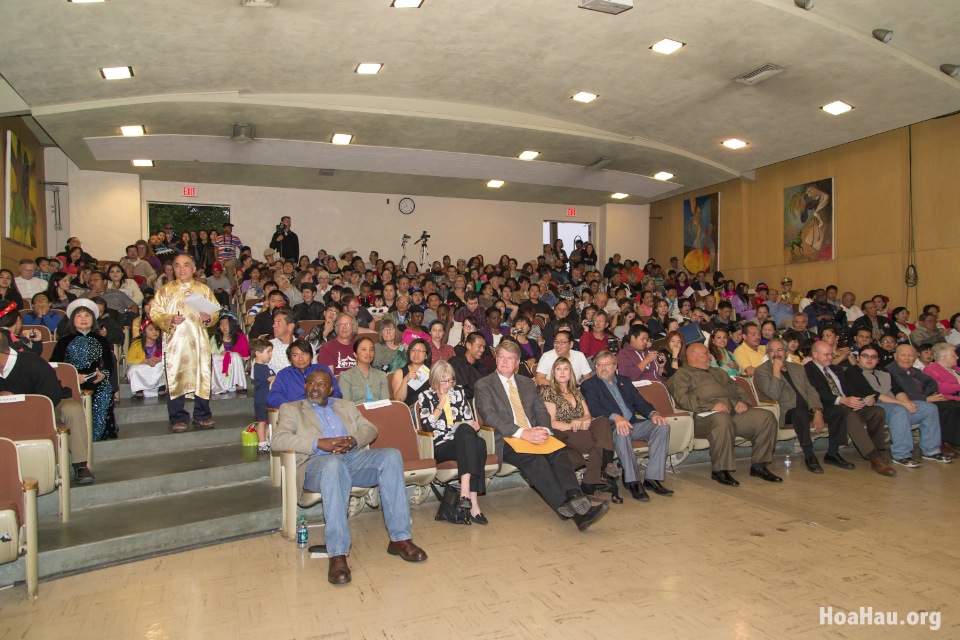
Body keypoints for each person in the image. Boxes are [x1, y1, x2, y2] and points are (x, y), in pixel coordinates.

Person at [273, 368, 427, 585]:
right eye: (311, 384)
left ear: (331, 388)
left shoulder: (345, 406)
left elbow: (370, 429)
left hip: (351, 458)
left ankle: (400, 539)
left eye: (321, 385)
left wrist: (354, 440)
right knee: (333, 465)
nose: (314, 388)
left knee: (391, 456)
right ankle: (337, 554)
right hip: (315, 464)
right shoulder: (291, 409)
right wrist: (318, 443)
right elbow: (278, 440)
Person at [474, 341, 608, 531]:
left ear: (518, 362)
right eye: (501, 357)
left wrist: (544, 430)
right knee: (536, 461)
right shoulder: (484, 384)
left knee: (560, 452)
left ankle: (576, 499)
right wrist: (524, 433)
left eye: (509, 358)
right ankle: (573, 511)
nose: (504, 362)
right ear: (496, 359)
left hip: (536, 434)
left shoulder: (526, 382)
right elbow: (489, 416)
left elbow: (541, 411)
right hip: (509, 438)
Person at [667, 343, 781, 486]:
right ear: (694, 355)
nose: (710, 356)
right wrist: (711, 406)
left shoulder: (718, 372)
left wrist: (742, 402)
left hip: (732, 412)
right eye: (706, 353)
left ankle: (759, 466)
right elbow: (682, 399)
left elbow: (738, 389)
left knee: (766, 417)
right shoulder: (682, 374)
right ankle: (720, 470)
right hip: (704, 417)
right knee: (722, 420)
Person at [0, 331, 95, 484]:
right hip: (9, 412)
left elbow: (52, 394)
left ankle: (80, 464)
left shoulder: (33, 363)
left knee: (73, 410)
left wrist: (19, 401)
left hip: (51, 404)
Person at [582, 350, 673, 500]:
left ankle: (652, 478)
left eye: (607, 364)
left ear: (615, 366)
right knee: (622, 430)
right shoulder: (590, 385)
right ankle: (633, 481)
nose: (603, 368)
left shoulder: (625, 381)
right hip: (610, 428)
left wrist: (653, 414)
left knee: (662, 425)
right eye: (599, 365)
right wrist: (616, 417)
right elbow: (594, 408)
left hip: (633, 424)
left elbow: (640, 402)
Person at [754, 339, 850, 474]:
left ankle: (832, 453)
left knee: (838, 411)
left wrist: (817, 411)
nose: (776, 353)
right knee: (799, 412)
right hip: (786, 412)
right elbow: (774, 395)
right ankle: (809, 454)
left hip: (807, 408)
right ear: (768, 353)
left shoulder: (797, 368)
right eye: (772, 350)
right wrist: (776, 370)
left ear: (787, 352)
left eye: (780, 350)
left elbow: (811, 390)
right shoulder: (761, 371)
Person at [844, 344, 949, 467]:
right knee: (899, 410)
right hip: (875, 406)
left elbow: (898, 390)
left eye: (873, 357)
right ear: (858, 358)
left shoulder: (884, 371)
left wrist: (907, 403)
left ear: (878, 360)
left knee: (929, 408)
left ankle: (931, 450)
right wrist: (903, 404)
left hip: (895, 403)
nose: (869, 359)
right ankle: (901, 455)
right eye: (865, 356)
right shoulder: (853, 371)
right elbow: (873, 394)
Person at [803, 341, 896, 476]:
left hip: (847, 404)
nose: (831, 357)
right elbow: (816, 393)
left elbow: (849, 389)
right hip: (825, 407)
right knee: (847, 414)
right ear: (815, 354)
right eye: (827, 354)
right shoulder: (807, 370)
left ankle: (878, 450)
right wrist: (842, 400)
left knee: (877, 411)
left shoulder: (836, 369)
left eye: (831, 354)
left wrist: (864, 399)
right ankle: (874, 458)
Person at [149, 254, 219, 433]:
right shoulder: (165, 291)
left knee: (201, 376)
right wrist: (170, 318)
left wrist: (209, 318)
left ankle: (202, 415)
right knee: (175, 376)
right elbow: (155, 313)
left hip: (199, 341)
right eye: (178, 265)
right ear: (173, 269)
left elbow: (216, 314)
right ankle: (178, 417)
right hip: (176, 342)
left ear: (194, 269)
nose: (182, 269)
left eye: (186, 265)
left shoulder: (204, 290)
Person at [539, 357, 621, 503]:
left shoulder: (575, 391)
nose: (562, 372)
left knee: (603, 421)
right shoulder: (549, 392)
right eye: (558, 369)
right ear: (553, 372)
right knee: (597, 442)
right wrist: (573, 425)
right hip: (564, 432)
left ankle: (601, 469)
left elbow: (588, 414)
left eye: (566, 369)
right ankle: (595, 477)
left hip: (583, 429)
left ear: (571, 372)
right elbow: (551, 423)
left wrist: (582, 421)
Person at [418, 361, 490, 523]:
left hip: (463, 441)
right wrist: (441, 404)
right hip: (441, 445)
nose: (448, 385)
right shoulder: (426, 396)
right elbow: (427, 426)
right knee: (471, 441)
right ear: (435, 380)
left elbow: (467, 418)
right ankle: (470, 497)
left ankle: (470, 499)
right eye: (444, 381)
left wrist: (474, 424)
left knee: (479, 443)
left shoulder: (458, 392)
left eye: (450, 380)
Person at [51, 299, 118, 441]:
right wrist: (74, 377)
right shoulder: (64, 340)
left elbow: (108, 363)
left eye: (87, 316)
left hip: (95, 380)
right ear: (72, 320)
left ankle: (98, 436)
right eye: (79, 316)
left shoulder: (101, 340)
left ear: (93, 319)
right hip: (72, 382)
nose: (83, 319)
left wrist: (103, 374)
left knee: (105, 390)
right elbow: (56, 365)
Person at [887, 343, 960, 458]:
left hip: (923, 399)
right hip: (903, 402)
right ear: (895, 356)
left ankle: (936, 447)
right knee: (946, 406)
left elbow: (931, 383)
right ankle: (944, 442)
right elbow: (897, 391)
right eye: (903, 355)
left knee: (941, 406)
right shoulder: (889, 371)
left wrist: (928, 394)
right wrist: (926, 398)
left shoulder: (915, 370)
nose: (907, 358)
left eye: (911, 355)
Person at [268, 339, 342, 407]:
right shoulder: (284, 374)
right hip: (295, 414)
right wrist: (292, 408)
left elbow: (336, 393)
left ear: (311, 356)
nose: (300, 359)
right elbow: (274, 397)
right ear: (290, 359)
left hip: (321, 411)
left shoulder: (323, 370)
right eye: (295, 355)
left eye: (304, 354)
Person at [339, 336, 390, 403]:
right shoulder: (346, 376)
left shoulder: (381, 375)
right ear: (355, 354)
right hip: (356, 412)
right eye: (364, 349)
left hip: (378, 412)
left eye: (371, 349)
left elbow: (385, 403)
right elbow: (346, 406)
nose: (368, 353)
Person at [210, 314, 249, 395]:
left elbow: (245, 354)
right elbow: (210, 353)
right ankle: (220, 386)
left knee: (235, 356)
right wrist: (222, 354)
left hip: (237, 361)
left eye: (227, 324)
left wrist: (229, 354)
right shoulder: (215, 338)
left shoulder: (240, 337)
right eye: (221, 324)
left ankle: (239, 384)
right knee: (214, 357)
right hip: (221, 362)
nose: (224, 327)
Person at [126, 319, 165, 398]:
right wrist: (146, 361)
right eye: (151, 329)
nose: (155, 332)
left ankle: (161, 388)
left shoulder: (162, 343)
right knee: (133, 369)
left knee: (163, 365)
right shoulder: (137, 343)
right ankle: (139, 391)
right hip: (143, 366)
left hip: (156, 367)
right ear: (144, 331)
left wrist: (159, 359)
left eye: (157, 330)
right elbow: (129, 359)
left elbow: (168, 357)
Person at [250, 338, 276, 452]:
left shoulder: (266, 367)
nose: (270, 355)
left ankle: (266, 440)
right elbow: (271, 379)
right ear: (258, 354)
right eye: (268, 352)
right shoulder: (259, 368)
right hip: (261, 399)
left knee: (267, 421)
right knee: (262, 421)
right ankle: (261, 442)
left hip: (268, 398)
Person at [389, 337, 431, 405]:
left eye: (420, 350)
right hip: (407, 411)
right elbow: (399, 400)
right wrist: (405, 379)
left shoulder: (431, 374)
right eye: (413, 350)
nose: (416, 353)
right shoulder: (400, 372)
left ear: (426, 355)